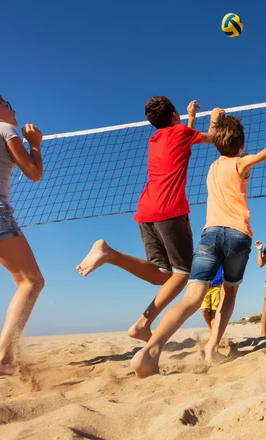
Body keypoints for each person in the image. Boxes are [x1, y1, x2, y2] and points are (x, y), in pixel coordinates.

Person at [131, 95, 266, 378]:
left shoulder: (212, 167)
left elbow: (209, 140)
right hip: (237, 236)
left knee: (191, 298)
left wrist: (212, 121)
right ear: (241, 145)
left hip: (209, 234)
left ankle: (151, 350)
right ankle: (211, 348)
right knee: (229, 292)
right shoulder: (241, 164)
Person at [76, 97, 215, 342]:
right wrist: (215, 117)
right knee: (182, 274)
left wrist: (190, 116)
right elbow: (212, 137)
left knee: (163, 274)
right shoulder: (181, 132)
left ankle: (110, 254)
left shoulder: (156, 140)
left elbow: (186, 140)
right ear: (174, 115)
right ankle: (143, 322)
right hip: (169, 210)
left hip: (146, 211)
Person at [0, 90, 45, 377]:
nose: (13, 109)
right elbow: (33, 173)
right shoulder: (3, 128)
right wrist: (35, 144)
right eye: (7, 104)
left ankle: (3, 358)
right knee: (31, 282)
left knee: (26, 282)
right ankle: (3, 360)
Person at [200, 266, 223, 330]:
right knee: (204, 309)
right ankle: (210, 328)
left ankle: (213, 332)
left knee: (214, 311)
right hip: (204, 284)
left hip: (217, 284)